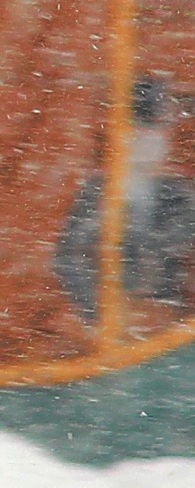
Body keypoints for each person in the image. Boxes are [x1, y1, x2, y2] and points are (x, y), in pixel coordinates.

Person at [54, 76, 195, 334]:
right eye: (136, 131)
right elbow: (68, 257)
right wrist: (100, 312)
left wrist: (167, 310)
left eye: (154, 132)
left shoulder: (180, 195)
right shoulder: (98, 192)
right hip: (117, 324)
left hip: (171, 325)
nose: (145, 141)